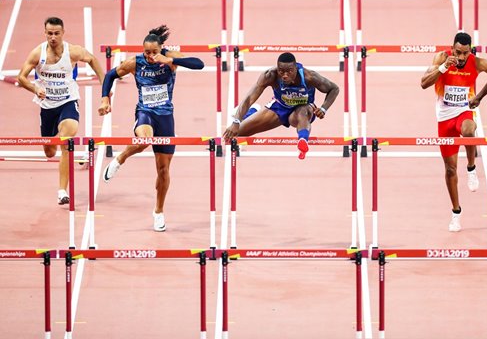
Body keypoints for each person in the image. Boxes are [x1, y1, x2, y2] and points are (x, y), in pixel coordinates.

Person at [98, 25, 205, 232]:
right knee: (144, 139)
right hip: (145, 112)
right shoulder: (136, 63)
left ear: (161, 48)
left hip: (165, 116)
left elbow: (199, 64)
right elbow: (110, 75)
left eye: (154, 52)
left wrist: (170, 60)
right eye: (147, 52)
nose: (150, 56)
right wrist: (105, 99)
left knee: (163, 170)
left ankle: (158, 211)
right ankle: (120, 159)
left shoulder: (169, 58)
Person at [421, 32, 487, 232]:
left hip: (463, 112)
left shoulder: (477, 63)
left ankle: (471, 167)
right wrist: (443, 68)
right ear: (452, 49)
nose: (460, 58)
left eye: (465, 53)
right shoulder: (441, 58)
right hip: (444, 120)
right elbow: (424, 83)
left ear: (470, 51)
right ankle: (456, 212)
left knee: (469, 129)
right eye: (458, 52)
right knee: (450, 170)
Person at [17, 17, 105, 205]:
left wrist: (104, 85)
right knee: (49, 151)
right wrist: (35, 88)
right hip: (47, 106)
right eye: (50, 33)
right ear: (45, 33)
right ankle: (56, 135)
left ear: (63, 33)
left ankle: (62, 191)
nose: (53, 37)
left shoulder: (73, 51)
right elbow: (21, 77)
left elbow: (92, 59)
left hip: (68, 101)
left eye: (57, 33)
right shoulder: (37, 54)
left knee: (67, 139)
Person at [222, 52, 339, 159]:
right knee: (236, 134)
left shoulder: (309, 77)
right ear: (277, 68)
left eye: (289, 71)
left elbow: (334, 88)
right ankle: (250, 114)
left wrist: (324, 108)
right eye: (281, 71)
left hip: (303, 109)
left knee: (303, 111)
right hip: (279, 108)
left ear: (295, 69)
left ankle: (303, 140)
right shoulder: (270, 76)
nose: (285, 75)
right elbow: (249, 98)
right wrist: (236, 121)